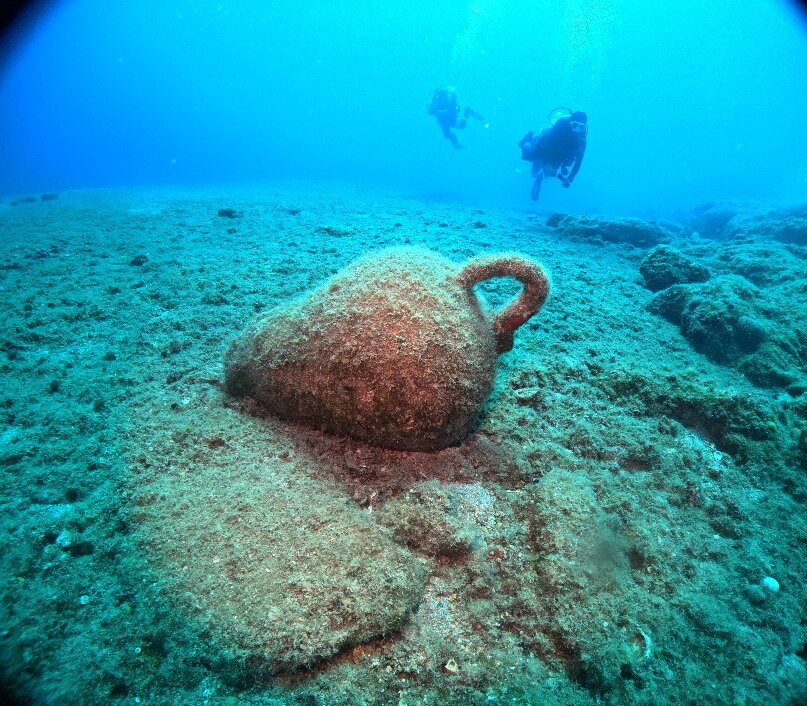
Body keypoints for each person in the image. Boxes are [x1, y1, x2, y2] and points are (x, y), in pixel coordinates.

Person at [518, 110, 587, 201]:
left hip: (559, 157)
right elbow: (547, 143)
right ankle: (529, 138)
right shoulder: (561, 125)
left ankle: (541, 173)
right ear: (570, 123)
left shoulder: (581, 140)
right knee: (527, 158)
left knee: (548, 174)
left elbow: (579, 161)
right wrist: (544, 161)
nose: (577, 130)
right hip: (545, 149)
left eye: (581, 128)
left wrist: (570, 178)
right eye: (575, 126)